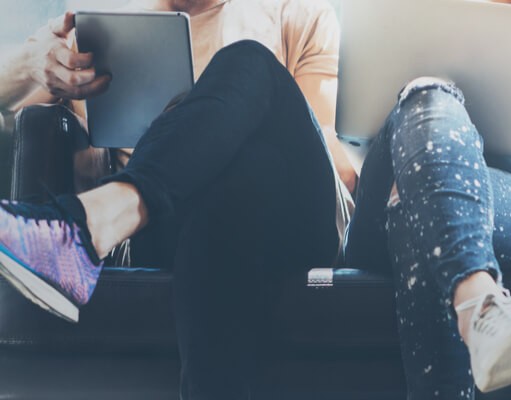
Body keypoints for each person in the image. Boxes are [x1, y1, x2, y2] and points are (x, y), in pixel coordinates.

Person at [0, 0, 355, 398]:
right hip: (170, 229)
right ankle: (99, 222)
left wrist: (236, 114)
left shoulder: (296, 13)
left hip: (291, 222)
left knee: (249, 65)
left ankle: (88, 226)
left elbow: (332, 162)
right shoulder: (99, 31)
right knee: (226, 193)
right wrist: (29, 64)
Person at [343, 0, 511, 397]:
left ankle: (476, 302)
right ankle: (481, 303)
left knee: (415, 209)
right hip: (398, 178)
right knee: (428, 102)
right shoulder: (409, 16)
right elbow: (351, 149)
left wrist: (505, 108)